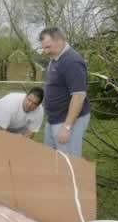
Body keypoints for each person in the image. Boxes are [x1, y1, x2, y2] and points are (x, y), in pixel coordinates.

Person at [39, 27, 91, 157]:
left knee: (68, 162)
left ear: (60, 41)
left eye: (48, 47)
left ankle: (71, 178)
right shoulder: (55, 59)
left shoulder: (72, 61)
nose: (45, 52)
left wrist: (67, 127)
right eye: (44, 48)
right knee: (50, 157)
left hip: (67, 120)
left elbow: (79, 96)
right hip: (54, 119)